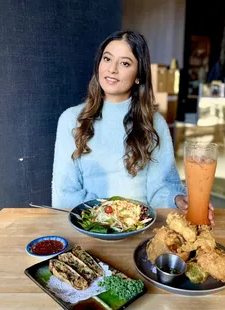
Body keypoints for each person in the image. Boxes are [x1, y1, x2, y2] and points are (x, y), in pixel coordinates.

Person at [52, 30, 214, 223]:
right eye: (107, 59)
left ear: (138, 75)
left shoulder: (154, 123)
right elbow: (65, 194)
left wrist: (179, 199)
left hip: (141, 227)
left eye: (125, 63)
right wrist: (109, 217)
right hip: (90, 226)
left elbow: (161, 187)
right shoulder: (71, 120)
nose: (112, 69)